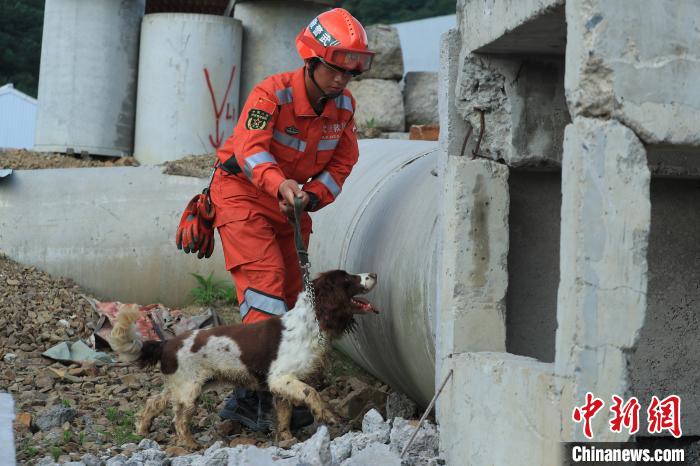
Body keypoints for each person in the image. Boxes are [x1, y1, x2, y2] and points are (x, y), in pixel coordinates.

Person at [209, 8, 374, 430]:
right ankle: (257, 401)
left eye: (349, 74)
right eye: (335, 70)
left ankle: (257, 395)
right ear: (312, 61)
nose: (341, 81)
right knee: (264, 296)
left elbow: (342, 163)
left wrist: (311, 196)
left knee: (292, 300)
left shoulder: (343, 108)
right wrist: (279, 184)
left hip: (292, 206)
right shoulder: (271, 94)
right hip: (244, 197)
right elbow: (250, 149)